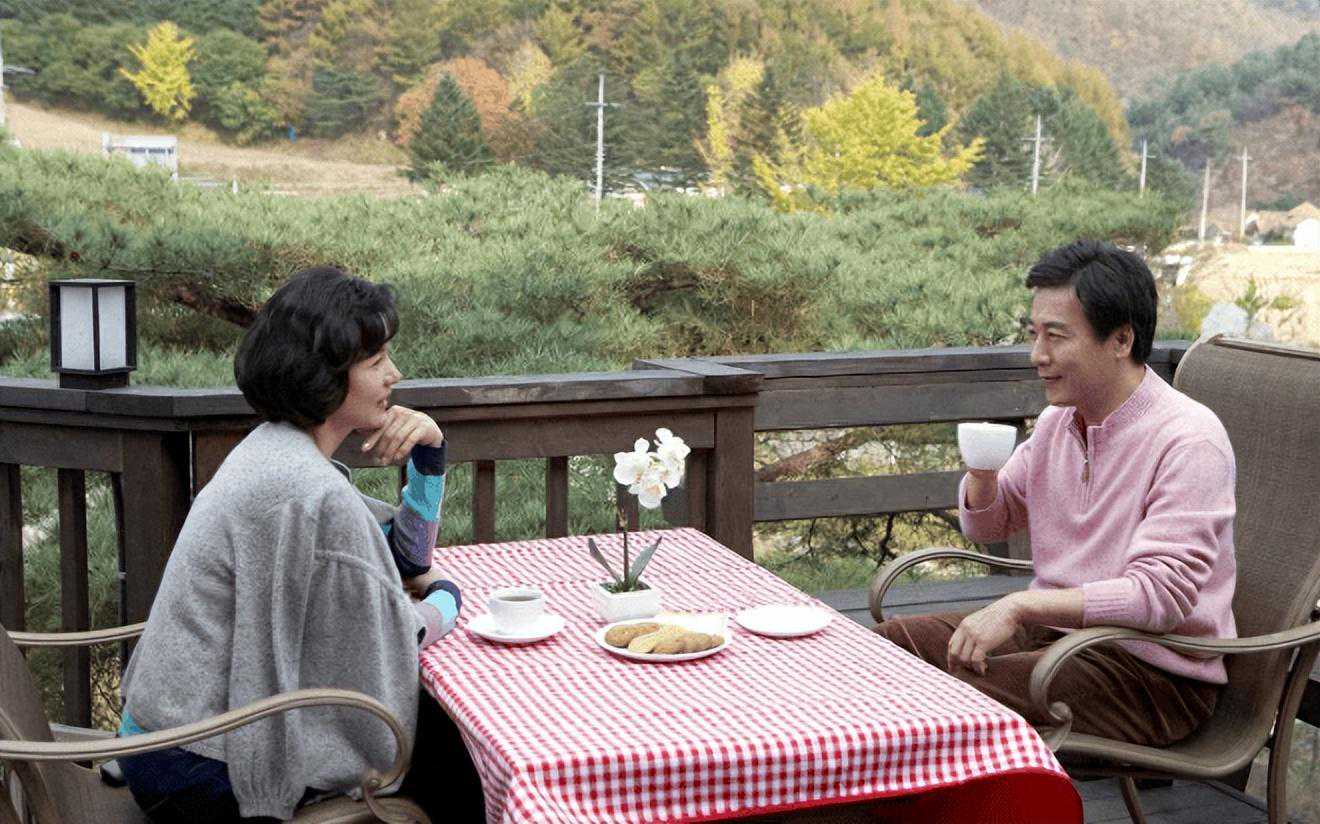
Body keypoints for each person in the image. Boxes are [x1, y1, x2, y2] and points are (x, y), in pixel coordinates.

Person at [116, 266, 462, 822]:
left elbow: (405, 557)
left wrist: (430, 455)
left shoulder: (273, 449)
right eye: (376, 361)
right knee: (454, 756)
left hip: (162, 738)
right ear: (323, 376)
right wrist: (448, 598)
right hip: (197, 767)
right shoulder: (308, 489)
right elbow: (401, 635)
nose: (395, 374)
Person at [875, 240, 1238, 748]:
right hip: (1060, 635)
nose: (1037, 355)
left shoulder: (1189, 440)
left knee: (945, 699)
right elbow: (989, 524)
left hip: (1154, 674)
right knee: (884, 650)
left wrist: (1021, 606)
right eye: (1034, 334)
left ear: (1121, 339)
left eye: (1056, 336)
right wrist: (982, 474)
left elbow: (1159, 597)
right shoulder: (1057, 423)